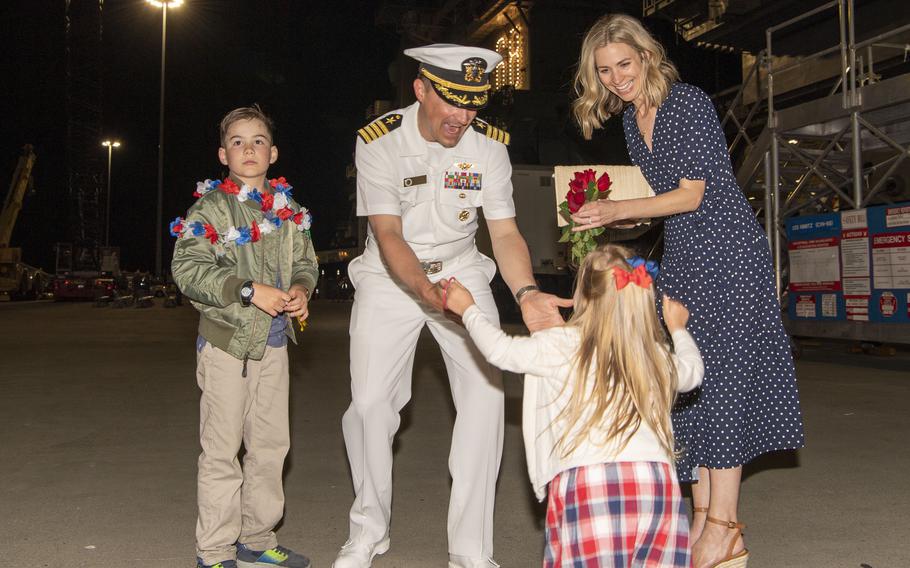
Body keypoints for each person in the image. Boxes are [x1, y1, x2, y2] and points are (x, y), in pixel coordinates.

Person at [570, 14, 805, 568]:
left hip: (725, 253)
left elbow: (696, 193)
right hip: (683, 255)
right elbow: (666, 202)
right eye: (604, 71)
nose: (617, 79)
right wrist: (616, 225)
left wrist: (620, 208)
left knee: (720, 384)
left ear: (648, 56)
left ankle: (724, 528)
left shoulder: (688, 102)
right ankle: (700, 520)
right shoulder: (632, 120)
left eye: (624, 64)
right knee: (685, 386)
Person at [335, 44, 572, 568]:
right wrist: (425, 292)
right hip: (391, 275)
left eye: (473, 105)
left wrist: (527, 293)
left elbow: (505, 232)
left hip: (462, 266)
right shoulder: (378, 142)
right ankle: (369, 529)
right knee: (371, 406)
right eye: (453, 103)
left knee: (487, 399)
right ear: (421, 90)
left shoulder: (488, 147)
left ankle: (470, 551)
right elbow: (388, 233)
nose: (462, 118)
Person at [442, 244, 704, 567]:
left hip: (589, 484)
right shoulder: (651, 354)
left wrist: (468, 308)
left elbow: (500, 351)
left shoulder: (559, 345)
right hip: (654, 483)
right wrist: (678, 329)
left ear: (582, 298)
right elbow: (692, 372)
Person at [171, 105, 318, 568]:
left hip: (275, 344)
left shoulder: (290, 209)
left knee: (271, 446)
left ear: (272, 153)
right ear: (223, 154)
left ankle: (256, 536)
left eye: (258, 140)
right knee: (222, 450)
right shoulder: (210, 208)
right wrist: (248, 290)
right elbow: (188, 269)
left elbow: (305, 262)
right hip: (226, 344)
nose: (248, 148)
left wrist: (300, 289)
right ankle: (214, 550)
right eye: (237, 141)